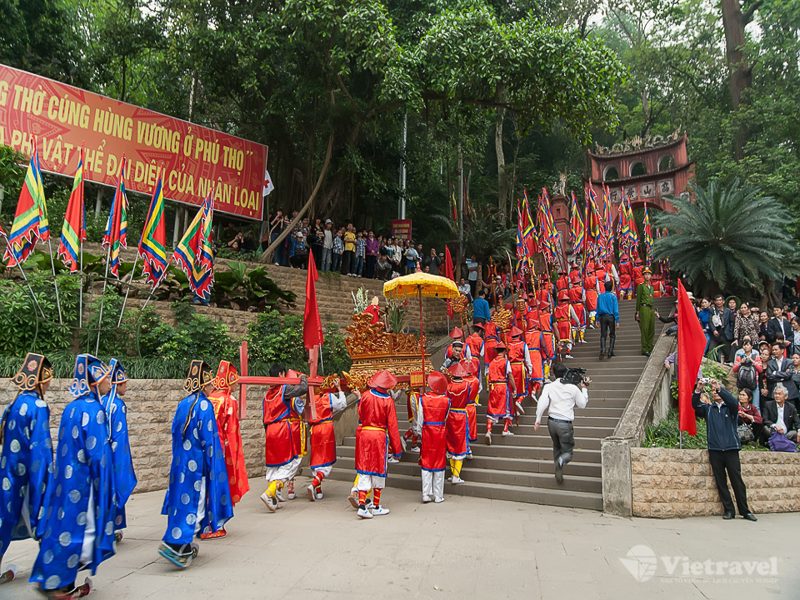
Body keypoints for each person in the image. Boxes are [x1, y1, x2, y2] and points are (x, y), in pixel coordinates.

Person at [30, 355, 116, 597]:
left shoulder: (71, 407)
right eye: (106, 377)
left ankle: (56, 579)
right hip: (84, 483)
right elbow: (98, 456)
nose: (109, 381)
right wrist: (105, 487)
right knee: (84, 534)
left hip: (64, 481)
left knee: (63, 526)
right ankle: (57, 584)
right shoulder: (95, 410)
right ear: (95, 381)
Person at [158, 361, 232, 568]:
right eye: (209, 384)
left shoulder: (183, 404)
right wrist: (213, 465)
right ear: (203, 384)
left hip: (180, 461)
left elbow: (174, 432)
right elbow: (209, 439)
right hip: (197, 465)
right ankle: (176, 545)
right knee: (195, 504)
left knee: (180, 500)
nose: (212, 387)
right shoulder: (205, 406)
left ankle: (182, 543)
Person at [0, 353, 53, 585]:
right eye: (48, 380)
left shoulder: (14, 403)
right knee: (44, 514)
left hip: (8, 471)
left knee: (4, 517)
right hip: (29, 471)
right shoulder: (39, 406)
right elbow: (41, 449)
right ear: (41, 380)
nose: (49, 385)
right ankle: (52, 573)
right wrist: (46, 478)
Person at [691, 378, 757, 521]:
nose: (715, 392)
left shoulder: (731, 408)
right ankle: (729, 510)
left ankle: (745, 510)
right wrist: (698, 389)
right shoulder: (709, 409)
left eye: (717, 390)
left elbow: (733, 402)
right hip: (715, 449)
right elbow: (695, 404)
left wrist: (719, 388)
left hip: (731, 449)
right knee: (721, 482)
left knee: (737, 481)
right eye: (713, 391)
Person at [206, 361, 249, 535]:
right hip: (220, 448)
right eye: (235, 382)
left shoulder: (210, 397)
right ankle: (215, 524)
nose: (237, 385)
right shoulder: (229, 400)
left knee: (207, 483)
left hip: (205, 447)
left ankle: (204, 522)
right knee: (220, 484)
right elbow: (231, 430)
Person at [354, 370, 403, 519]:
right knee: (379, 468)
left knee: (364, 468)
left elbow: (360, 415)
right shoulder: (388, 400)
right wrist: (397, 450)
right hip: (379, 437)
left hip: (365, 434)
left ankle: (362, 505)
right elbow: (393, 426)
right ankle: (375, 506)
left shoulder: (365, 396)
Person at [260, 366, 308, 511]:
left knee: (274, 465)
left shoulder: (266, 395)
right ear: (281, 374)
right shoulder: (284, 389)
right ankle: (269, 492)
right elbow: (303, 389)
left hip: (270, 430)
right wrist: (303, 377)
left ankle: (273, 499)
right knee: (290, 463)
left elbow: (264, 417)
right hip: (282, 429)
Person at [100, 359, 137, 543]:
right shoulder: (118, 405)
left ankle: (107, 528)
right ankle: (109, 528)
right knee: (114, 488)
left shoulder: (100, 401)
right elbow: (120, 437)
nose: (126, 386)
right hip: (112, 454)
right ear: (116, 384)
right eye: (123, 383)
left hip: (99, 454)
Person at [534, 362, 590, 483]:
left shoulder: (549, 386)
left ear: (554, 375)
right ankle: (561, 461)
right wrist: (584, 389)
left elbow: (542, 403)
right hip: (565, 423)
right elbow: (582, 404)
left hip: (551, 422)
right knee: (568, 451)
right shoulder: (573, 388)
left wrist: (538, 420)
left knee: (556, 445)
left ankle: (558, 469)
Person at [307, 378, 348, 500]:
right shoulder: (328, 396)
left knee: (317, 458)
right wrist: (340, 389)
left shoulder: (311, 398)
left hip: (314, 429)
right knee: (326, 460)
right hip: (326, 428)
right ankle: (313, 484)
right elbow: (342, 405)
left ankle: (319, 491)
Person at [412, 372, 450, 503]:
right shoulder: (446, 400)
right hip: (440, 432)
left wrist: (420, 432)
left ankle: (426, 493)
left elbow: (420, 418)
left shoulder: (423, 399)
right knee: (439, 462)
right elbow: (446, 417)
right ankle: (438, 495)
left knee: (426, 462)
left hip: (427, 431)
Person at [445, 362, 472, 485]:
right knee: (461, 443)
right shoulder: (467, 385)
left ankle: (453, 473)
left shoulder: (448, 386)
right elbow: (467, 400)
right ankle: (456, 474)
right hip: (461, 414)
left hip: (450, 415)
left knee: (451, 442)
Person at [485, 341, 516, 445]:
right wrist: (514, 388)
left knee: (492, 407)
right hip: (502, 387)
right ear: (504, 351)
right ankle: (505, 429)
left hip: (493, 387)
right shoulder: (505, 362)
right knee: (507, 407)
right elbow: (510, 376)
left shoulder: (492, 362)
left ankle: (488, 431)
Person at [732, 337, 763, 409]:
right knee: (742, 404)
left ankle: (756, 416)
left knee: (756, 405)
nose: (746, 347)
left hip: (754, 382)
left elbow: (760, 370)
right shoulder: (739, 357)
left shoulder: (756, 357)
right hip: (742, 383)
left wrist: (753, 362)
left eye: (748, 345)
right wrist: (740, 362)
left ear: (751, 346)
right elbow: (734, 369)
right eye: (744, 345)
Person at [596, 280, 619, 360]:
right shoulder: (613, 297)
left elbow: (598, 308)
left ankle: (603, 349)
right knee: (612, 334)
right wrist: (617, 320)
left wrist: (597, 319)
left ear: (604, 287)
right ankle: (610, 351)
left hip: (603, 317)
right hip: (611, 317)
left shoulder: (600, 297)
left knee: (603, 334)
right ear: (611, 288)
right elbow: (615, 310)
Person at [635, 267, 655, 356]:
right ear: (643, 276)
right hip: (644, 307)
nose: (647, 276)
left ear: (651, 276)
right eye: (645, 274)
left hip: (651, 308)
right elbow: (638, 299)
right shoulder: (641, 286)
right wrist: (638, 311)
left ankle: (650, 347)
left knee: (651, 329)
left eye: (649, 274)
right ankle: (645, 348)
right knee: (645, 329)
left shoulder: (652, 287)